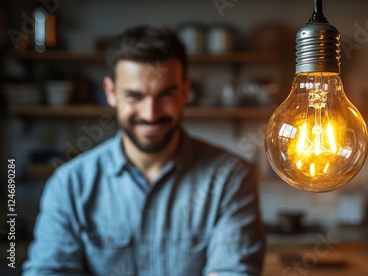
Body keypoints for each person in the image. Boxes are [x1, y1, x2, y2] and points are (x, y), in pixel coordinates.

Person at [23, 25, 266, 276]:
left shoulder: (230, 177)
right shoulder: (70, 184)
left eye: (165, 95)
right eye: (135, 96)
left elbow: (234, 272)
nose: (151, 114)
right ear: (111, 92)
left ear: (184, 93)